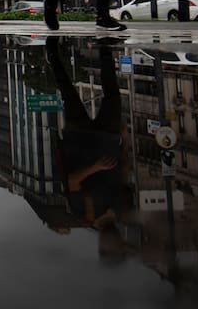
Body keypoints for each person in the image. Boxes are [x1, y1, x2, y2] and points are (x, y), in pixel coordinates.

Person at [45, 36, 133, 244]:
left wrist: (96, 167)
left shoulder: (84, 215)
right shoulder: (121, 211)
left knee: (69, 92)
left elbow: (73, 181)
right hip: (108, 139)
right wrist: (125, 141)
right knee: (112, 93)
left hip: (80, 140)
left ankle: (52, 53)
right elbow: (124, 173)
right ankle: (105, 48)